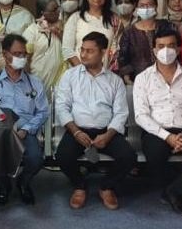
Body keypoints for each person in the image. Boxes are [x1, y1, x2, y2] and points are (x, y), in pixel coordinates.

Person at [133, 26, 182, 215]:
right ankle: (179, 191)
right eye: (161, 46)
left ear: (178, 49)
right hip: (157, 131)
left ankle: (174, 191)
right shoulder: (143, 78)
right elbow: (141, 115)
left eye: (171, 45)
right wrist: (167, 137)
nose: (166, 51)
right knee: (155, 155)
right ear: (154, 49)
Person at [55, 31, 136, 210]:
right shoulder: (70, 76)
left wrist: (108, 135)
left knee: (129, 157)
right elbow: (61, 107)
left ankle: (106, 186)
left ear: (103, 52)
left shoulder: (115, 81)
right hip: (77, 129)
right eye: (82, 50)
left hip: (106, 131)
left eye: (90, 51)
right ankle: (79, 185)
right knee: (62, 156)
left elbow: (121, 113)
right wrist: (76, 131)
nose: (83, 55)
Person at [0, 34, 48, 205]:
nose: (22, 58)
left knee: (36, 159)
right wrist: (2, 127)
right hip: (1, 132)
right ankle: (4, 185)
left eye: (24, 54)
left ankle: (23, 183)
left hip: (26, 132)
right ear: (5, 54)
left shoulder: (35, 83)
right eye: (17, 54)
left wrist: (26, 129)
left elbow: (43, 112)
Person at [118, 0, 173, 84]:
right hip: (138, 79)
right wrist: (127, 78)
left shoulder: (166, 26)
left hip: (166, 77)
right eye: (142, 5)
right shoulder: (129, 32)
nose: (146, 8)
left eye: (149, 5)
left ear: (156, 6)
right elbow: (123, 57)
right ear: (137, 8)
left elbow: (175, 49)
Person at [62, 0, 118, 67]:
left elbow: (116, 49)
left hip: (105, 72)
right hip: (79, 72)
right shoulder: (76, 18)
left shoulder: (113, 19)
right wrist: (83, 71)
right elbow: (67, 49)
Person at [23, 0, 66, 98]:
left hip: (59, 83)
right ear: (43, 12)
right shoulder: (32, 31)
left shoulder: (63, 27)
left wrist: (58, 33)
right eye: (53, 10)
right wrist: (28, 84)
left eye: (58, 8)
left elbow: (69, 48)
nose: (58, 11)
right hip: (36, 82)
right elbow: (25, 60)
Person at [108, 0, 137, 72]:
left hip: (132, 64)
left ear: (134, 4)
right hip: (112, 64)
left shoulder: (138, 22)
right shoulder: (111, 21)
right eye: (120, 2)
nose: (123, 5)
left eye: (127, 2)